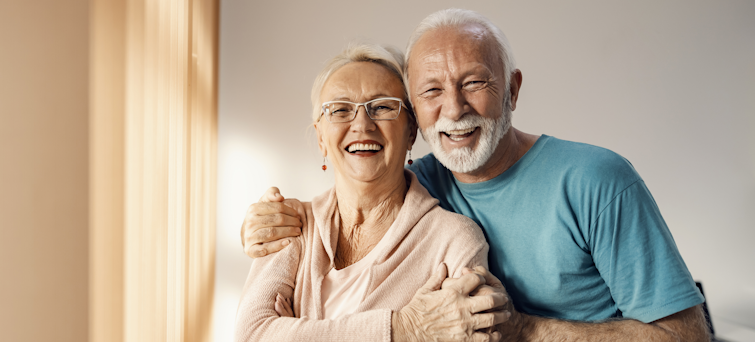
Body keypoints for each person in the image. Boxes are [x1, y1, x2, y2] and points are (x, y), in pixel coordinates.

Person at [240, 8, 711, 341]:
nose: (455, 108)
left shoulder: (596, 180)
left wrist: (526, 330)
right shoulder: (420, 180)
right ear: (417, 120)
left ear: (512, 90)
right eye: (431, 90)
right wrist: (266, 221)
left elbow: (688, 337)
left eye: (474, 82)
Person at [234, 43, 512, 342]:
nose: (362, 125)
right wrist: (405, 328)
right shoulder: (289, 224)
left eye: (382, 107)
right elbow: (251, 334)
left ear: (410, 132)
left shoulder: (454, 240)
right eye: (340, 110)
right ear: (321, 138)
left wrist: (292, 331)